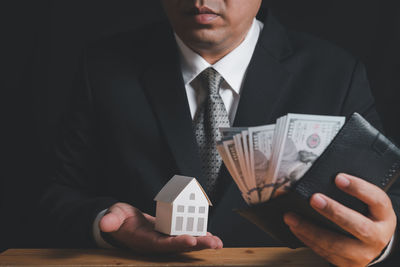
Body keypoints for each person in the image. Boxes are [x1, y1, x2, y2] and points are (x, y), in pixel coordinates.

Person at [40, 0, 399, 266]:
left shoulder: (335, 72)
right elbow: (55, 195)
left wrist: (381, 245)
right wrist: (106, 226)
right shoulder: (101, 67)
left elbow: (389, 197)